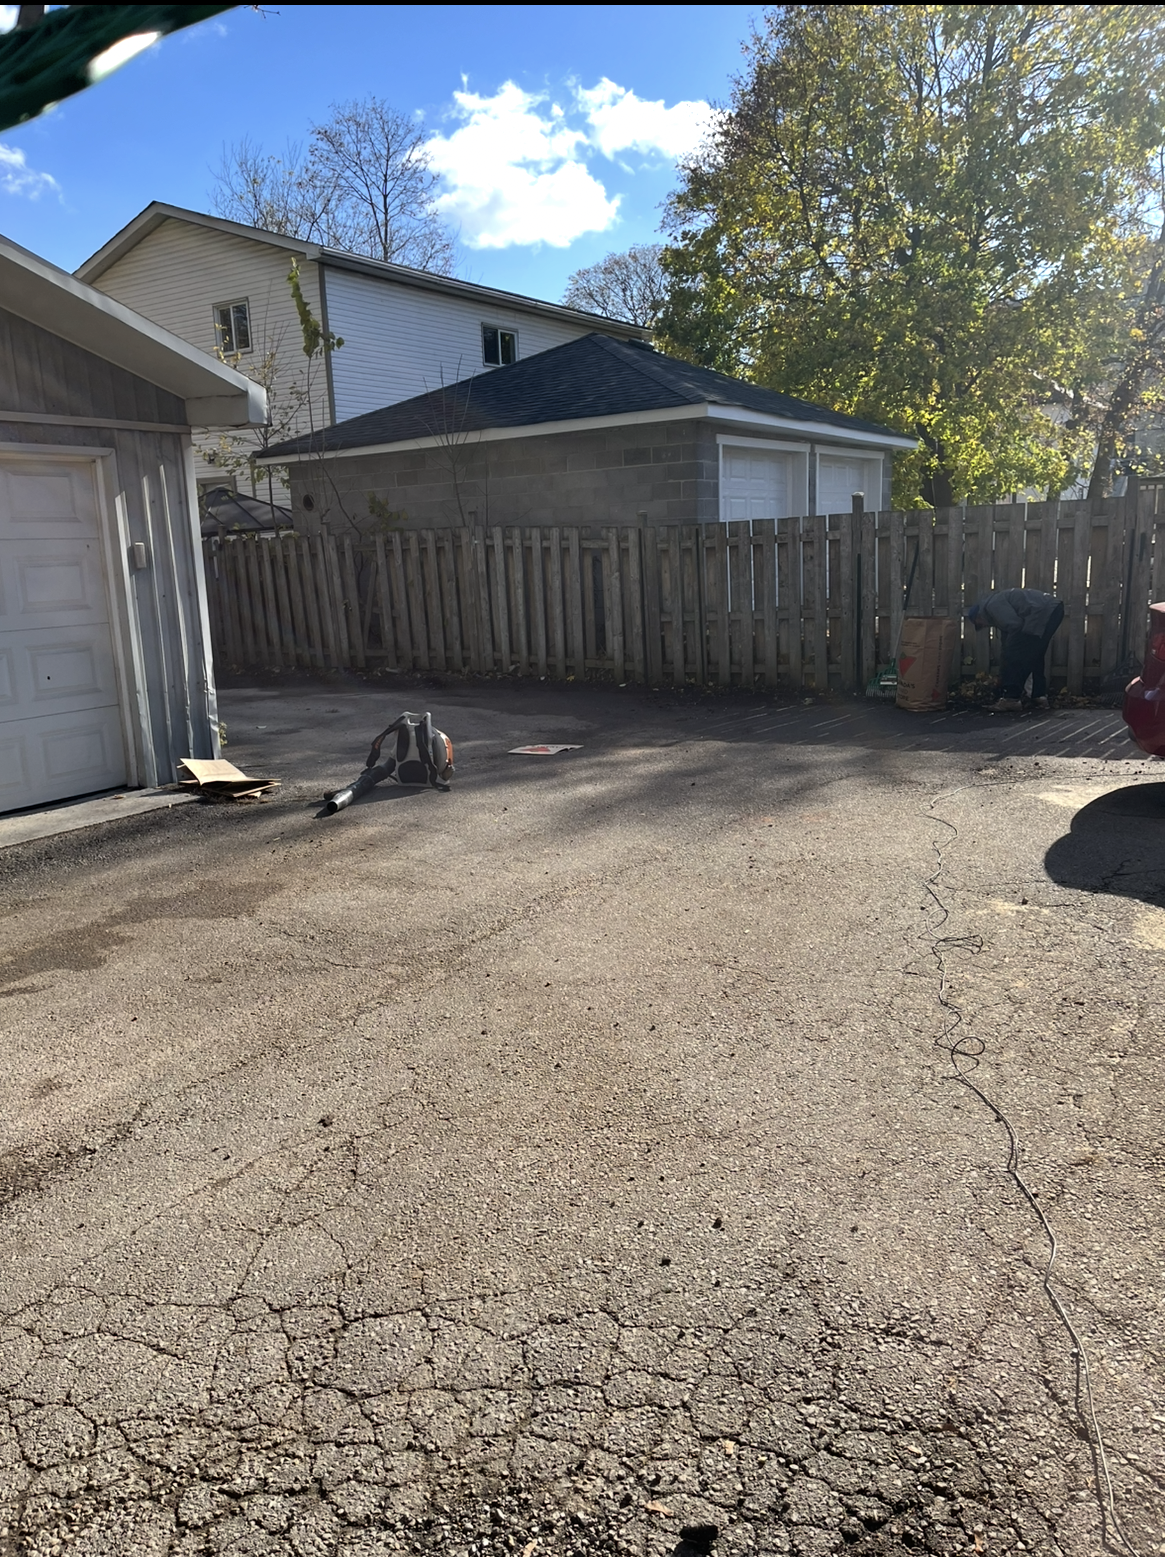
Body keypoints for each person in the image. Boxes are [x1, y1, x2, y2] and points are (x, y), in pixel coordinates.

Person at [965, 589, 1065, 712]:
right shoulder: (996, 609)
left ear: (978, 616)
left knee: (1015, 656)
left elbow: (1015, 627)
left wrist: (1009, 655)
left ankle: (1011, 699)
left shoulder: (992, 606)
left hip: (1041, 612)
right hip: (1053, 609)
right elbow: (1007, 638)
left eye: (979, 624)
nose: (984, 626)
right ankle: (1038, 696)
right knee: (1034, 655)